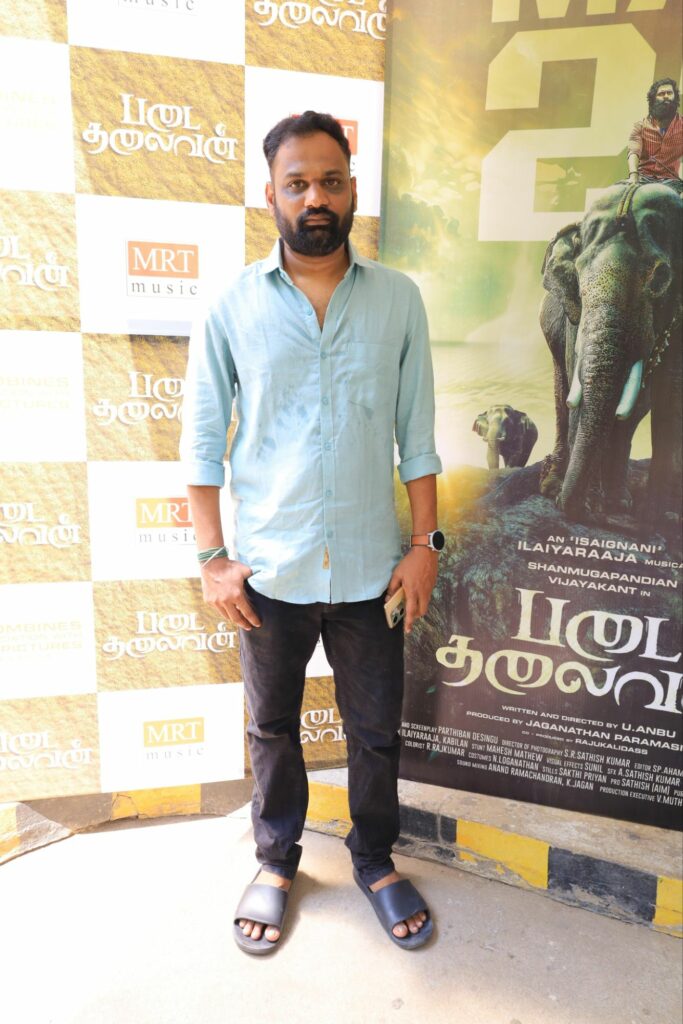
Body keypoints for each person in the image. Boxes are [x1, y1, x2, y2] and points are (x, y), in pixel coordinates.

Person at [180, 110, 443, 955]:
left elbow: (418, 436)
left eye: (330, 181)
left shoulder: (398, 299)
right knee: (272, 728)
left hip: (372, 569)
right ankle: (276, 859)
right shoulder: (230, 305)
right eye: (297, 183)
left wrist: (424, 547)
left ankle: (373, 859)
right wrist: (213, 558)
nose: (315, 198)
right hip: (270, 569)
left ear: (352, 190)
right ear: (271, 194)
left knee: (375, 732)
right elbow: (201, 441)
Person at [627, 77, 683, 194]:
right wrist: (633, 175)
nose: (666, 96)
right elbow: (634, 152)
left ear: (675, 97)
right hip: (643, 179)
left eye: (669, 93)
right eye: (661, 94)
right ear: (653, 100)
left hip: (672, 182)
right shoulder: (640, 126)